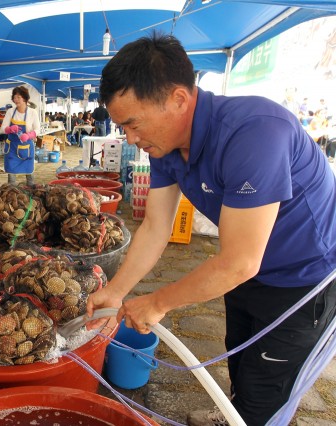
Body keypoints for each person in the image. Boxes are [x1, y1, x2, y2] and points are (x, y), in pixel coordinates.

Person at [87, 33, 336, 426]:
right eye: (123, 127)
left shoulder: (255, 132)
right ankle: (232, 411)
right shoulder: (164, 145)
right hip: (247, 272)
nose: (130, 139)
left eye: (133, 124)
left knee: (267, 392)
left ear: (179, 99)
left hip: (303, 278)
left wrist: (158, 302)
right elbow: (155, 225)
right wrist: (115, 292)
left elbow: (239, 261)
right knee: (238, 356)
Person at [1, 86, 40, 186]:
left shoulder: (32, 112)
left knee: (29, 173)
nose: (16, 100)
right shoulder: (10, 112)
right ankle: (11, 194)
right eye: (14, 97)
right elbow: (2, 128)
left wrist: (29, 135)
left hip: (26, 147)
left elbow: (38, 129)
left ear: (25, 98)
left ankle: (31, 192)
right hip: (12, 148)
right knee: (11, 175)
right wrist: (9, 129)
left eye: (19, 97)